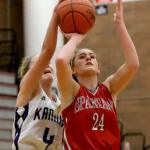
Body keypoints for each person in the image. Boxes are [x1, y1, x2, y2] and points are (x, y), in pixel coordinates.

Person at [55, 0, 140, 149]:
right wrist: (76, 37)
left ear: (98, 68)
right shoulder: (72, 91)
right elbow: (61, 60)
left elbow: (133, 64)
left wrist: (120, 24)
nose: (88, 58)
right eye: (81, 57)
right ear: (73, 69)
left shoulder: (109, 88)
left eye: (92, 56)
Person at [12, 1, 64, 150]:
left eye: (48, 64)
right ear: (29, 73)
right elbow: (47, 51)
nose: (47, 64)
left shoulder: (59, 103)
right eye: (40, 64)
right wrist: (55, 15)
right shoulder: (28, 91)